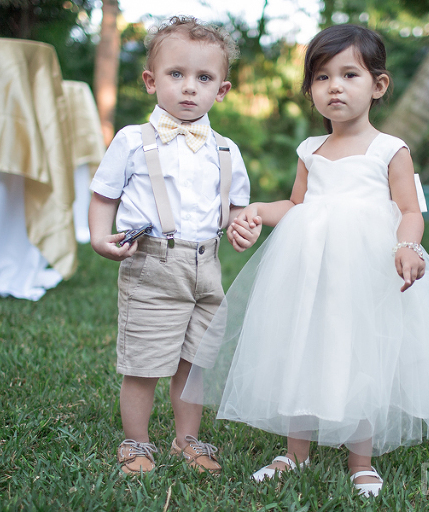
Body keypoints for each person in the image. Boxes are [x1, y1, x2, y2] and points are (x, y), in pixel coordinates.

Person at [182, 24, 429, 497]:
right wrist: (258, 210)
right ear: (311, 91)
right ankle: (294, 453)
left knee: (363, 356)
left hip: (365, 274)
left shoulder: (390, 150)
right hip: (309, 274)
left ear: (378, 85)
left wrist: (407, 247)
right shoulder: (310, 150)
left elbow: (409, 211)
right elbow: (296, 205)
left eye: (349, 74)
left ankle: (362, 461)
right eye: (321, 77)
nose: (334, 86)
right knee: (301, 349)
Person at [88, 16, 260, 476]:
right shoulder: (131, 140)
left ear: (221, 90)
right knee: (144, 363)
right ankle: (136, 442)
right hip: (152, 265)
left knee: (195, 361)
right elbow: (104, 194)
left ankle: (187, 440)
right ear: (151, 81)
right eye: (176, 74)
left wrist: (243, 229)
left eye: (203, 78)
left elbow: (235, 209)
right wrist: (99, 237)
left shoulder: (226, 149)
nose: (189, 87)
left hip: (207, 267)